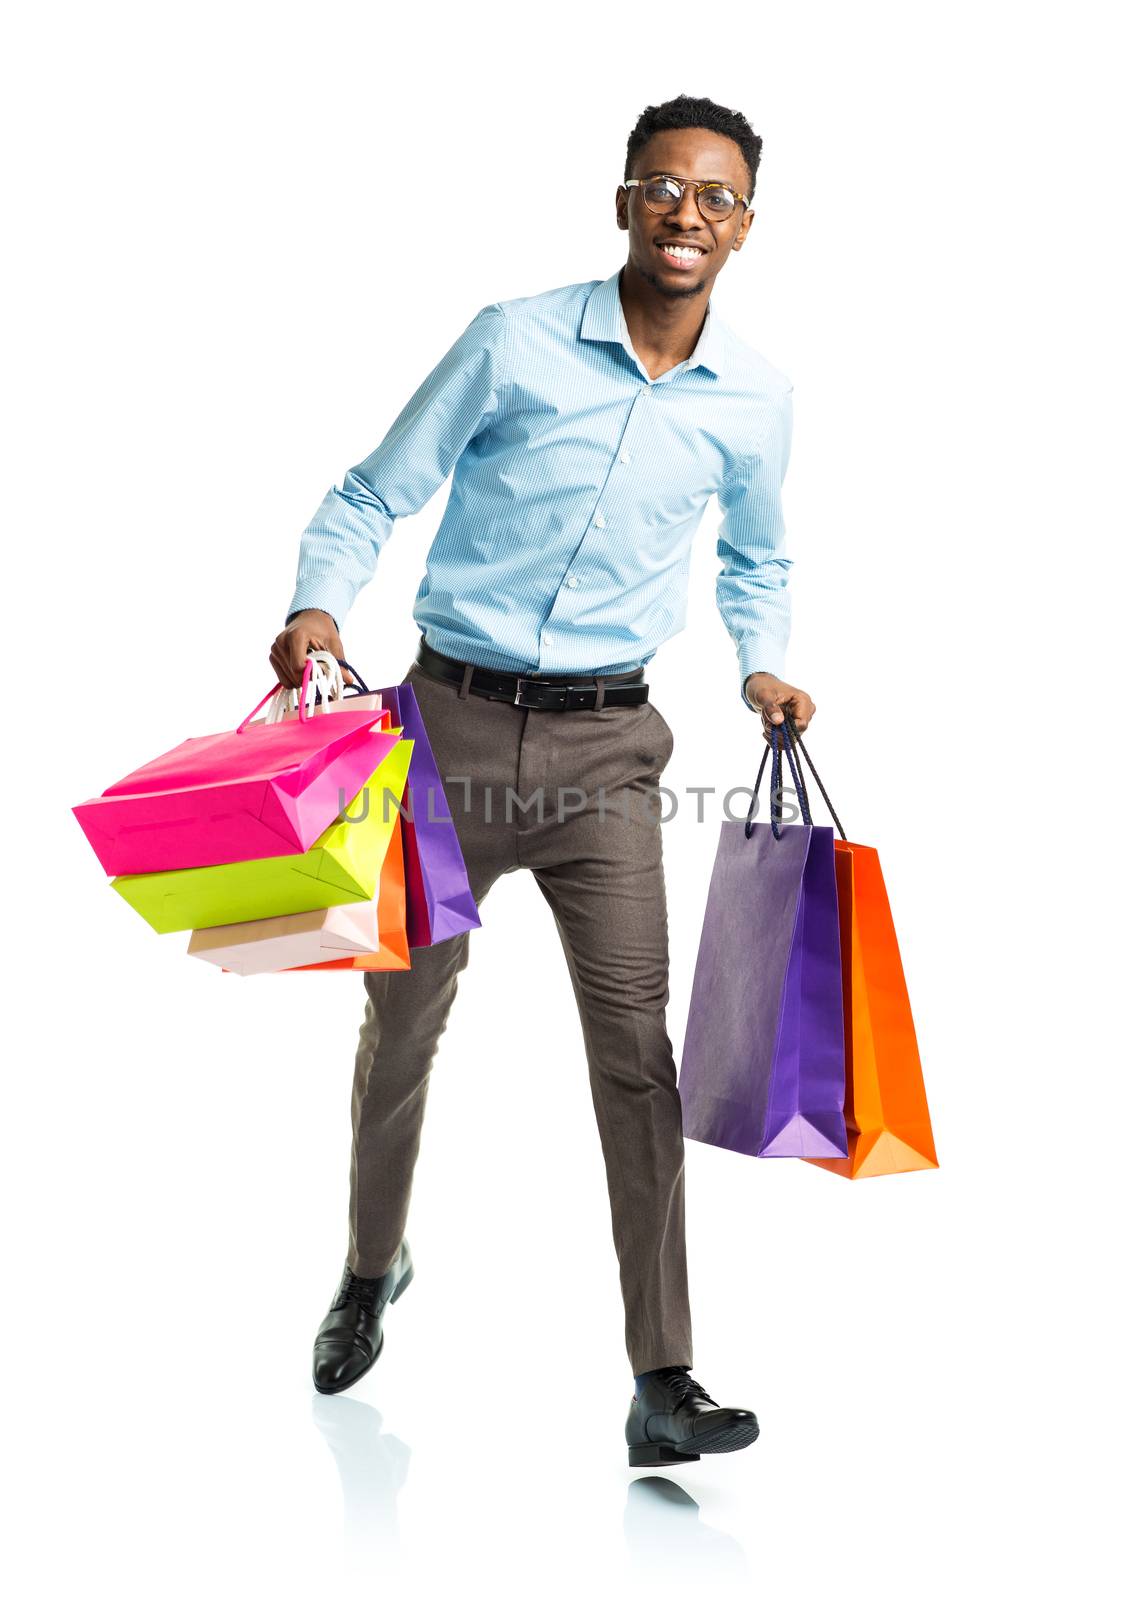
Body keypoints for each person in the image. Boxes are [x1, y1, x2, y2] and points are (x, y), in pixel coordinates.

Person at [269, 93, 817, 1467]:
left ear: (746, 226)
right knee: (401, 1030)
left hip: (607, 761)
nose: (686, 214)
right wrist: (318, 609)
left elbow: (756, 559)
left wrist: (762, 660)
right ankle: (367, 1268)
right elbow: (369, 495)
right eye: (663, 188)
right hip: (442, 734)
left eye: (716, 197)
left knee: (636, 1059)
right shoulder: (512, 339)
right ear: (623, 199)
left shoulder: (754, 401)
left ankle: (662, 1376)